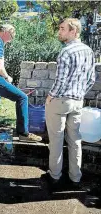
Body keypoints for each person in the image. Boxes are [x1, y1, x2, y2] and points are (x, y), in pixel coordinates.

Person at [45, 18, 95, 188]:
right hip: (77, 102)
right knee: (75, 140)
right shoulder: (89, 51)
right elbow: (91, 79)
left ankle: (55, 176)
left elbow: (60, 80)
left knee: (56, 140)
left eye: (63, 28)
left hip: (60, 101)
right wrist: (80, 94)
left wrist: (51, 96)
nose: (59, 31)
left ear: (73, 31)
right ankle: (75, 178)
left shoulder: (66, 52)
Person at [0, 24, 42, 154]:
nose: (10, 40)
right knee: (22, 97)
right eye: (11, 36)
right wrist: (7, 77)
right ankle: (23, 132)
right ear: (6, 32)